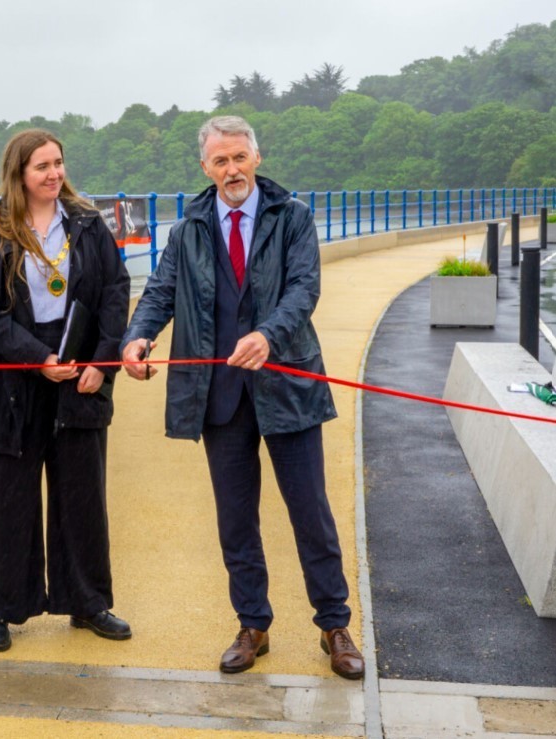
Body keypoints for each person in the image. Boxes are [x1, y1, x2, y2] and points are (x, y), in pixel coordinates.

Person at [120, 115, 364, 680]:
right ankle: (252, 623)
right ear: (204, 167)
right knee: (236, 519)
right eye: (219, 160)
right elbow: (160, 293)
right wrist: (137, 337)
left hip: (288, 386)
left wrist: (267, 334)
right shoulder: (187, 231)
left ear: (256, 158)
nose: (231, 169)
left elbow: (305, 289)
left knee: (311, 513)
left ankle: (335, 625)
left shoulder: (294, 218)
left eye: (239, 157)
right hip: (219, 396)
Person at [0, 129, 132, 652]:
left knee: (81, 497)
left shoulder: (86, 222)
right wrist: (38, 359)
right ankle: (3, 609)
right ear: (19, 173)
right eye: (42, 166)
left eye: (58, 163)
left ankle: (88, 603)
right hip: (12, 378)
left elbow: (114, 291)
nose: (54, 174)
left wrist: (101, 364)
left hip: (79, 370)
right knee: (8, 501)